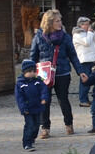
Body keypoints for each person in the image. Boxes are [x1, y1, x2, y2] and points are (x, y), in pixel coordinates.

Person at [30, 9, 88, 138]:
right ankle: (45, 128)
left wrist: (80, 72)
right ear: (49, 22)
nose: (60, 23)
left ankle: (69, 125)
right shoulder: (39, 37)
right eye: (57, 21)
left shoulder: (65, 37)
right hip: (44, 74)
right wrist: (30, 73)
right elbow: (33, 56)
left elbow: (73, 55)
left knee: (63, 99)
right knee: (45, 100)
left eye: (60, 20)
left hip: (62, 72)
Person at [15, 60, 49, 151]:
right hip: (27, 109)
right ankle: (27, 143)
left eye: (34, 71)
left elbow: (44, 90)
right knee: (29, 125)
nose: (32, 73)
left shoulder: (38, 81)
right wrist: (23, 108)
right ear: (24, 72)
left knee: (37, 125)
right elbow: (19, 98)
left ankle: (32, 137)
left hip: (37, 107)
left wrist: (44, 98)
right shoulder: (20, 83)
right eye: (30, 72)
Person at [73, 16, 95, 107]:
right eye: (86, 24)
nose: (88, 26)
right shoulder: (77, 34)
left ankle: (86, 99)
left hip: (90, 59)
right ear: (81, 25)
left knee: (90, 80)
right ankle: (83, 99)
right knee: (84, 80)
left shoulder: (86, 33)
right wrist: (91, 33)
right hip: (84, 60)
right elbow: (87, 42)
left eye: (89, 24)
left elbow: (93, 42)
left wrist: (92, 33)